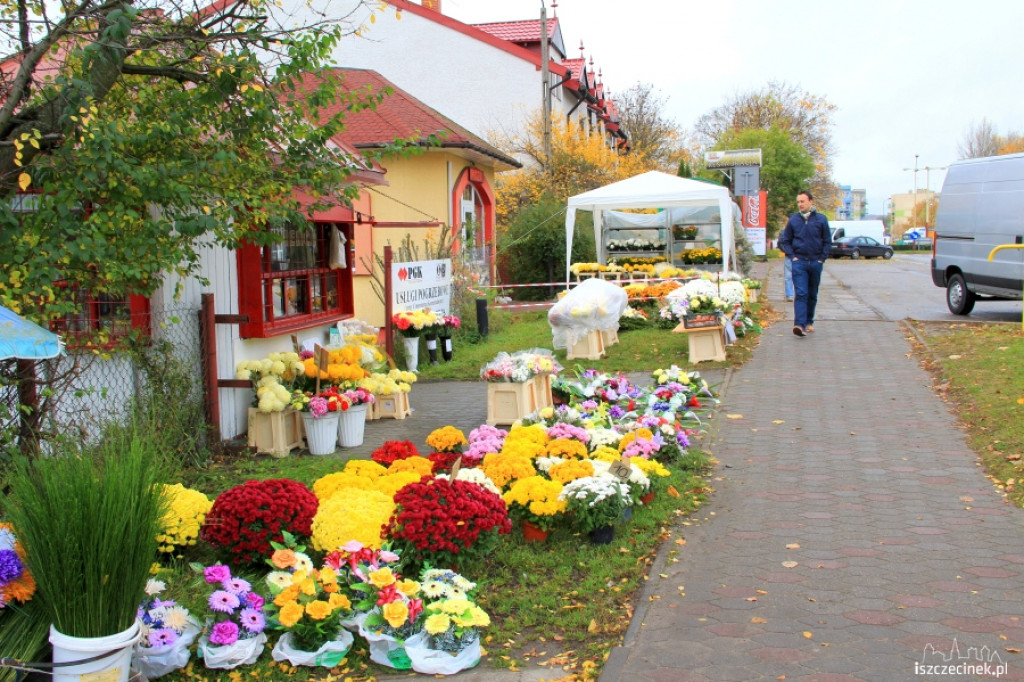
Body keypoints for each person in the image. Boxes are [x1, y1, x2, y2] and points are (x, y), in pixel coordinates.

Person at [778, 190, 830, 337]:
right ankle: (799, 325)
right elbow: (786, 240)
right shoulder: (793, 220)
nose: (800, 204)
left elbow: (827, 241)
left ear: (810, 202)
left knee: (812, 294)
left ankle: (808, 321)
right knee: (801, 293)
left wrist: (821, 258)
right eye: (798, 202)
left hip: (815, 262)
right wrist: (792, 256)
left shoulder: (821, 219)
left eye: (802, 201)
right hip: (799, 262)